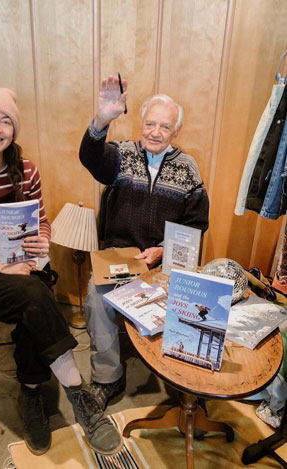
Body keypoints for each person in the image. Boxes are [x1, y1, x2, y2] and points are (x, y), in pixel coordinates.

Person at [0, 88, 122, 456]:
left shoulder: (27, 172)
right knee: (36, 296)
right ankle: (78, 394)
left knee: (32, 307)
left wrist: (43, 241)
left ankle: (31, 394)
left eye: (6, 121)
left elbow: (41, 222)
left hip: (24, 264)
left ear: (13, 132)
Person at [79, 76, 209, 410]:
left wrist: (165, 250)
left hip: (167, 259)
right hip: (120, 255)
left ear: (175, 131)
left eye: (164, 127)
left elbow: (196, 224)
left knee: (193, 302)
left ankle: (182, 379)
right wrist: (101, 121)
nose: (155, 132)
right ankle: (107, 377)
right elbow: (91, 158)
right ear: (141, 124)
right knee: (97, 298)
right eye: (150, 124)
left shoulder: (188, 167)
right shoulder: (121, 155)